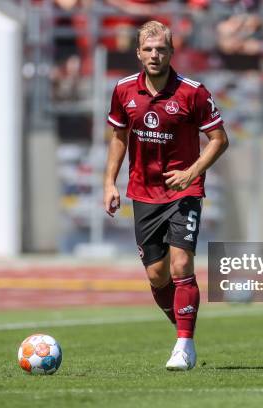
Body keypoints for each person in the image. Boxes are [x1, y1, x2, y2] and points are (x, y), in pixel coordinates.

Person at [103, 20, 229, 371]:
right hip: (143, 191)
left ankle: (184, 345)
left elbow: (220, 140)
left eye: (162, 49)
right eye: (149, 49)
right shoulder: (123, 90)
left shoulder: (193, 92)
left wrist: (192, 171)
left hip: (184, 190)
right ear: (139, 53)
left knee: (180, 265)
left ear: (172, 53)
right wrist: (109, 183)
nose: (155, 55)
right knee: (157, 276)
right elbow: (117, 137)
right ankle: (183, 329)